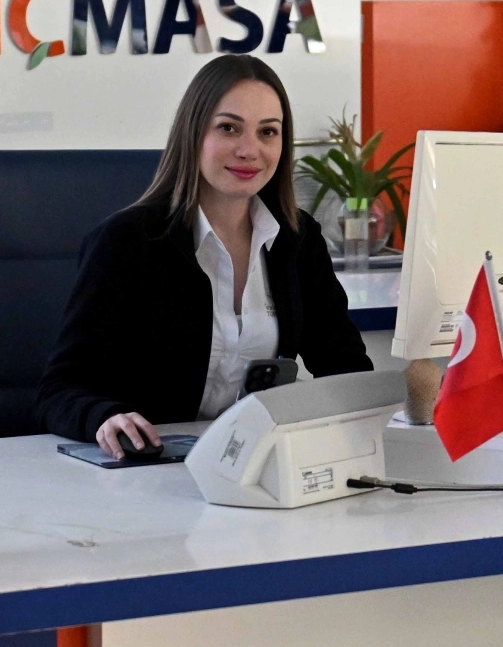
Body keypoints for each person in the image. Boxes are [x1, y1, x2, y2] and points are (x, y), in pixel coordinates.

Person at [37, 54, 372, 457]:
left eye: (268, 132)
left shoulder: (297, 241)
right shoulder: (127, 242)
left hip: (252, 462)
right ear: (193, 133)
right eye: (229, 128)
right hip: (145, 465)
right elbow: (59, 390)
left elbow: (346, 369)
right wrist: (104, 417)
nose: (249, 149)